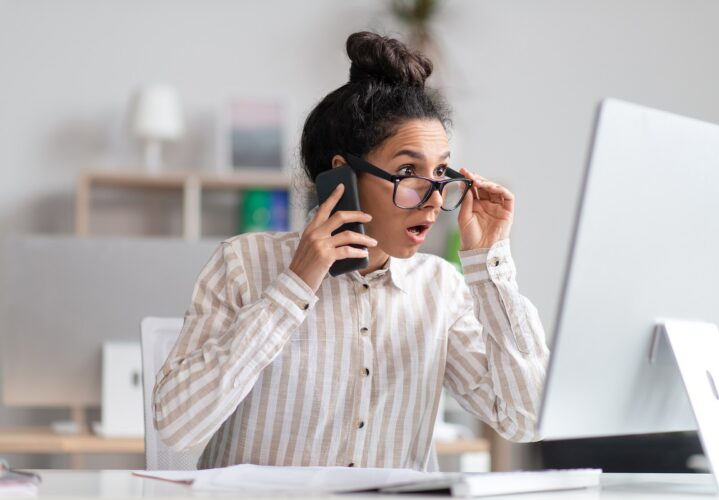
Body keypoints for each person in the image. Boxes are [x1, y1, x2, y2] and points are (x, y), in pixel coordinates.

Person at [153, 31, 549, 471]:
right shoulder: (244, 264)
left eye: (440, 172)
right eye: (407, 171)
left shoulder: (440, 288)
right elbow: (177, 427)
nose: (435, 198)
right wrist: (292, 289)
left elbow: (527, 420)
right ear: (342, 177)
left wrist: (489, 266)